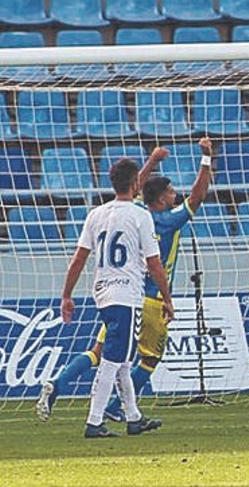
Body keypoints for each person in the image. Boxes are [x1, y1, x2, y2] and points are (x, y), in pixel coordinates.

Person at [38, 139, 217, 422]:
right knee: (148, 359)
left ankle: (59, 383)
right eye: (170, 192)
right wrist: (206, 159)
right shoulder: (168, 220)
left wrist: (153, 161)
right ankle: (111, 408)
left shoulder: (135, 214)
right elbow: (197, 196)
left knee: (99, 351)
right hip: (149, 300)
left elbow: (130, 189)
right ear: (160, 200)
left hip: (116, 294)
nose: (175, 195)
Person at [56, 158, 173, 438]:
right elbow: (154, 263)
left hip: (103, 292)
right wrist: (167, 297)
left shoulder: (96, 214)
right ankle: (94, 421)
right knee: (113, 360)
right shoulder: (140, 215)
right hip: (127, 294)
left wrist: (66, 295)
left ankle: (133, 417)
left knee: (121, 359)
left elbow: (79, 259)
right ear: (136, 184)